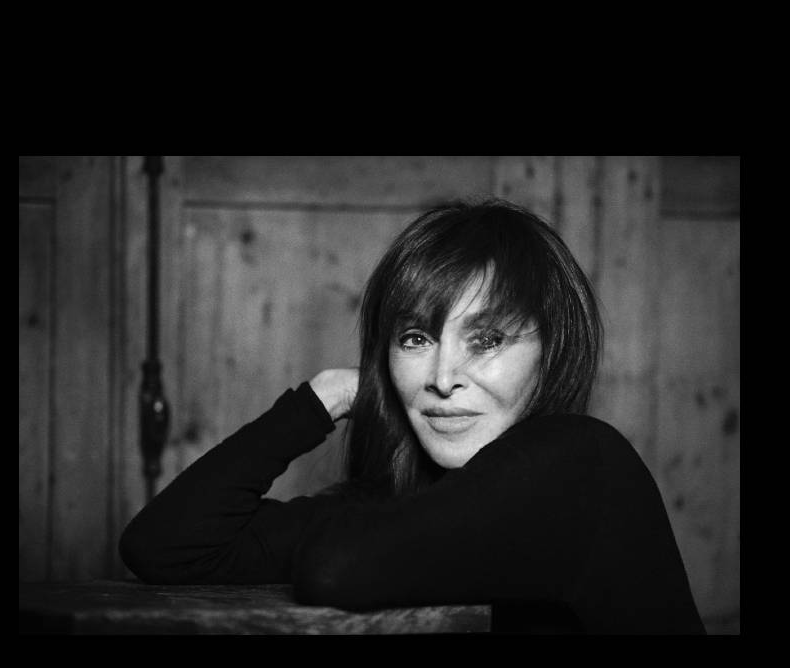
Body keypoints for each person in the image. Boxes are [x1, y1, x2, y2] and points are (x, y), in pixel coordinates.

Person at [119, 198, 705, 634]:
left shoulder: (582, 462)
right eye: (417, 338)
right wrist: (324, 397)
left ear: (551, 353)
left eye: (487, 339)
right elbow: (164, 547)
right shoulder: (396, 509)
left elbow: (337, 566)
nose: (443, 378)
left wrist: (337, 540)